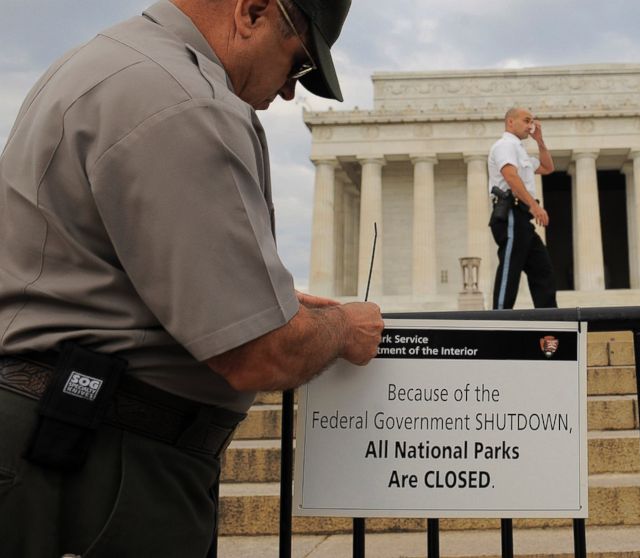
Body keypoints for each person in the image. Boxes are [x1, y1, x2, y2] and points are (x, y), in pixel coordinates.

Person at [0, 1, 383, 556]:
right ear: (252, 11)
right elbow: (259, 353)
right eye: (298, 64)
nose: (288, 93)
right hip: (103, 466)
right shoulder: (180, 99)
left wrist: (260, 299)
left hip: (67, 436)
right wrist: (344, 328)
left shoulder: (108, 62)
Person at [488, 107, 558, 309]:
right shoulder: (504, 146)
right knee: (510, 270)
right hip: (510, 212)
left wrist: (540, 141)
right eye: (526, 121)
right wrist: (534, 205)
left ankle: (550, 324)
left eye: (532, 122)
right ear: (510, 122)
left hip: (521, 218)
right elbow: (511, 177)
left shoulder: (519, 150)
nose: (530, 126)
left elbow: (547, 167)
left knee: (542, 270)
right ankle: (499, 321)